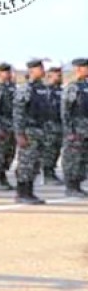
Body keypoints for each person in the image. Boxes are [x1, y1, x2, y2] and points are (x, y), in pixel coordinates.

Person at [11, 59, 53, 204]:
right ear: (31, 71)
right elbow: (18, 113)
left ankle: (29, 192)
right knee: (25, 164)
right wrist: (19, 133)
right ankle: (21, 193)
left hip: (40, 131)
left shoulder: (43, 89)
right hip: (29, 131)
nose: (43, 71)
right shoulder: (25, 89)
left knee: (35, 164)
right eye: (40, 68)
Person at [61, 58, 88, 197]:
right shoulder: (73, 87)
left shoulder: (85, 86)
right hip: (75, 131)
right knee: (73, 159)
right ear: (78, 69)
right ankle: (71, 187)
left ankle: (77, 185)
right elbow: (65, 111)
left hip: (85, 131)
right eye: (86, 67)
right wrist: (69, 132)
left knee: (82, 160)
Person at [42, 64, 65, 185]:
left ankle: (51, 172)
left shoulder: (61, 91)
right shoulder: (46, 90)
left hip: (59, 125)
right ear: (50, 75)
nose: (60, 76)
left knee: (56, 151)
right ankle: (47, 174)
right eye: (58, 75)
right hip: (48, 126)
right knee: (49, 151)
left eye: (61, 74)